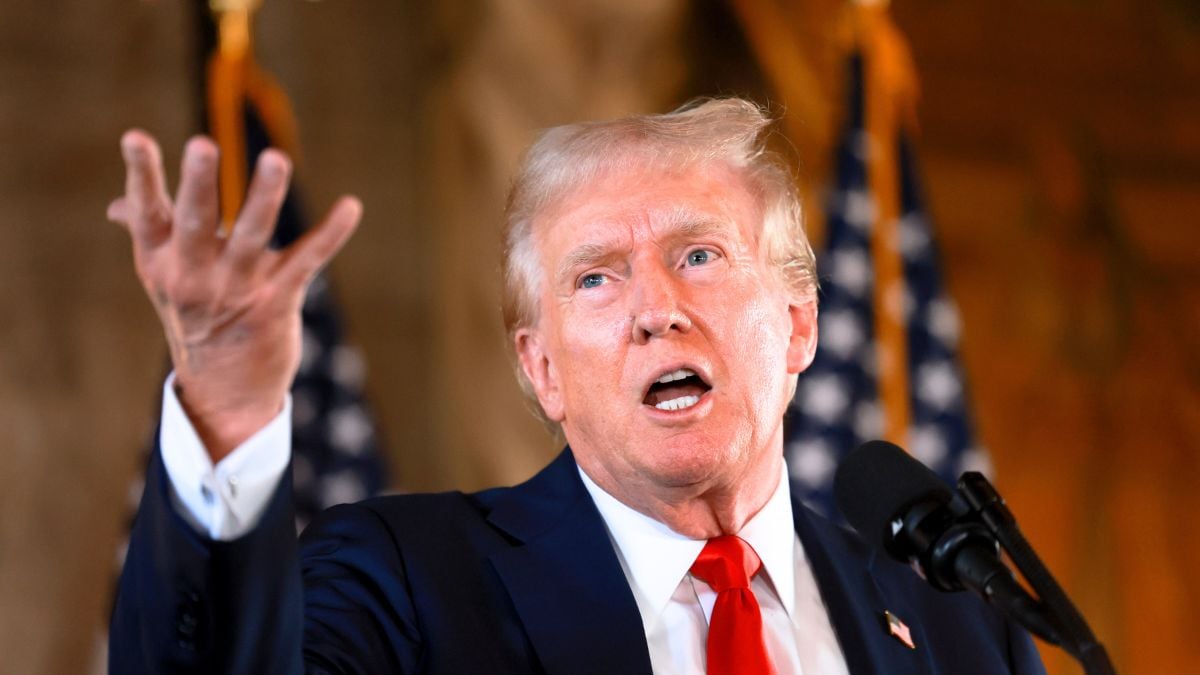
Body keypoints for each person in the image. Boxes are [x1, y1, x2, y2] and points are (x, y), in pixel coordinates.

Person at [107, 98, 1045, 674]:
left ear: (798, 324)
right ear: (542, 367)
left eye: (699, 254)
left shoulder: (962, 625)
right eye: (596, 276)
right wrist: (226, 414)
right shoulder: (405, 581)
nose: (655, 309)